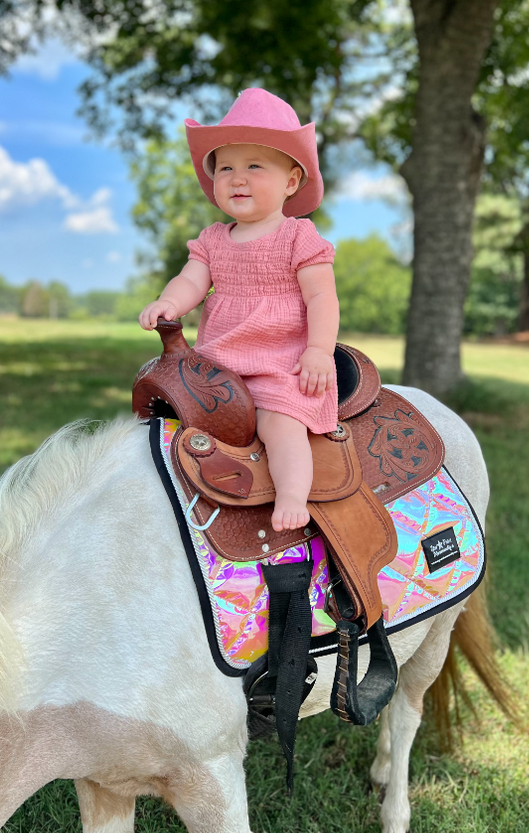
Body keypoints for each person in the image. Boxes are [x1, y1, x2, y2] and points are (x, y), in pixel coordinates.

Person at [139, 88, 339, 533]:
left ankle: (291, 494)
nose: (237, 178)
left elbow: (321, 298)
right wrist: (170, 301)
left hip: (278, 366)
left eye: (254, 166)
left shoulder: (297, 237)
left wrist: (319, 351)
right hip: (217, 369)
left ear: (290, 182)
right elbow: (192, 280)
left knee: (280, 425)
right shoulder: (213, 239)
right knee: (168, 417)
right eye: (225, 167)